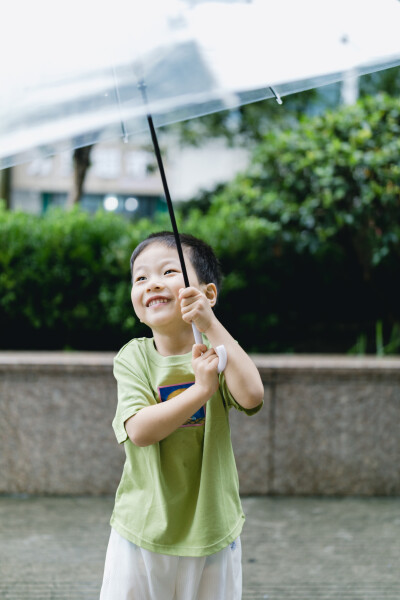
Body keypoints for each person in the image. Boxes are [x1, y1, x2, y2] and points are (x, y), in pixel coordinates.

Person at [100, 231, 264, 600]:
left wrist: (210, 327)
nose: (152, 283)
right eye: (140, 278)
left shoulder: (218, 352)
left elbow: (253, 396)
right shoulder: (134, 358)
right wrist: (200, 391)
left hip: (212, 528)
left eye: (169, 272)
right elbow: (140, 430)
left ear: (207, 294)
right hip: (142, 526)